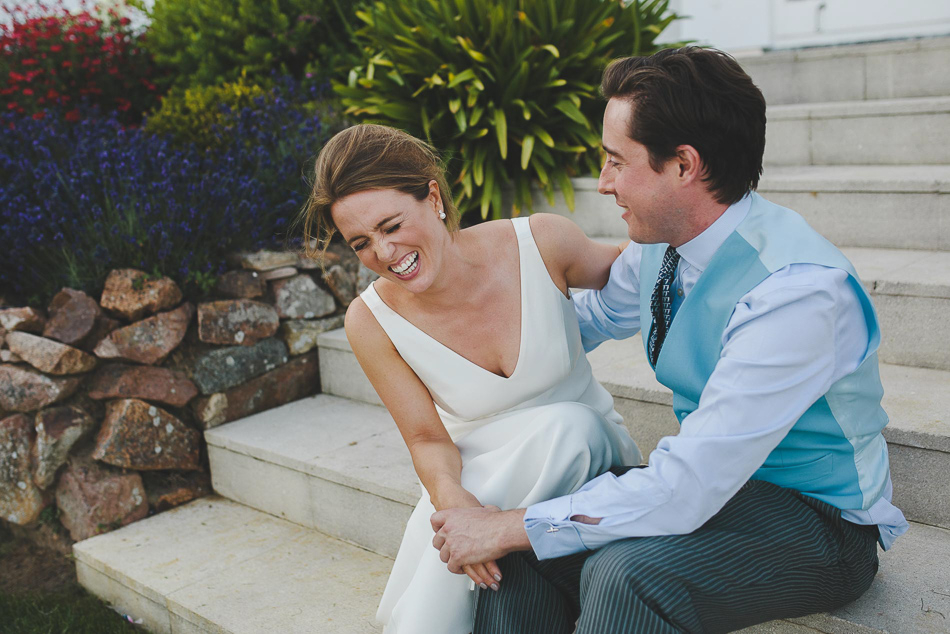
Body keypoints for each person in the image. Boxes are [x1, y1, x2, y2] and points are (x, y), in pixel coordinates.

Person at [431, 46, 910, 633]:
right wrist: (451, 335)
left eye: (616, 161)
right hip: (721, 489)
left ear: (684, 165)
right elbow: (582, 322)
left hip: (821, 523)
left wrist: (508, 524)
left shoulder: (800, 294)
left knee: (622, 572)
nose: (603, 184)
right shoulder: (661, 243)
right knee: (533, 545)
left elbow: (688, 486)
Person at [297, 123, 641, 633]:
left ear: (432, 195)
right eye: (362, 243)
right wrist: (452, 501)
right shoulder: (369, 321)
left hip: (591, 453)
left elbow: (640, 277)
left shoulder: (541, 242)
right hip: (489, 480)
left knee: (569, 425)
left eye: (391, 226)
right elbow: (426, 438)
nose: (385, 254)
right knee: (471, 513)